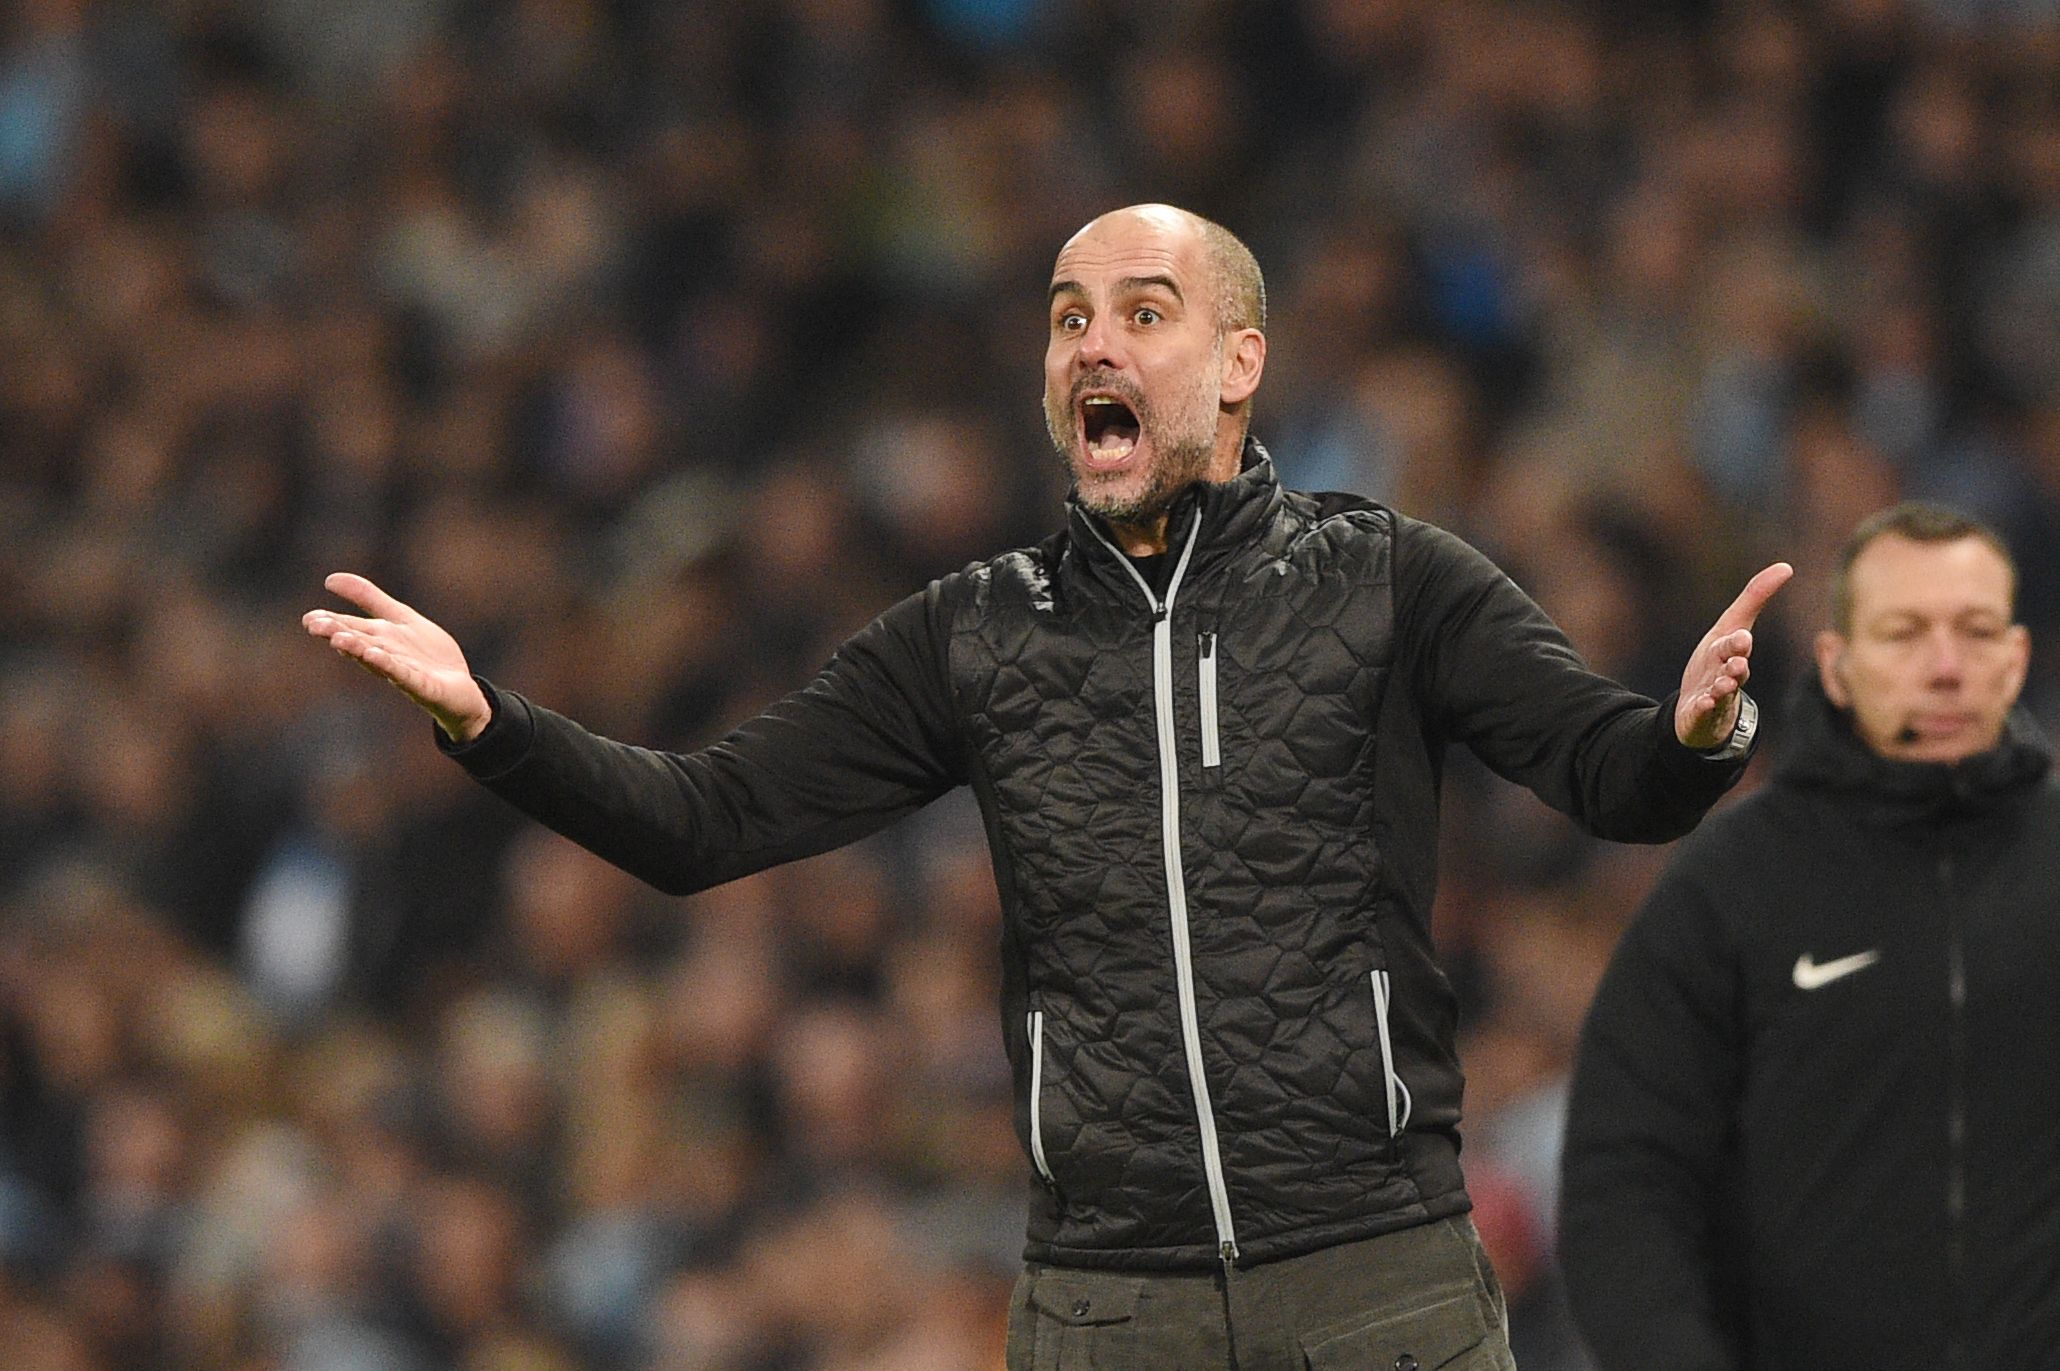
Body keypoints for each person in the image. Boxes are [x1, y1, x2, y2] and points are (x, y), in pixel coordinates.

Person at [306, 203, 1788, 1370]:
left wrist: (1693, 733)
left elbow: (1615, 778)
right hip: (1105, 1309)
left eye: (1145, 314)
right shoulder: (976, 629)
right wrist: (491, 718)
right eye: (1069, 317)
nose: (1094, 346)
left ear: (1240, 362)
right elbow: (705, 821)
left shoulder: (1393, 581)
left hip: (1377, 1282)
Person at [1559, 501, 2060, 1371]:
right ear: (1835, 665)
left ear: (2016, 659)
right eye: (1904, 633)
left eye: (1976, 632)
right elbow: (1625, 1178)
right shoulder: (1733, 884)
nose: (1946, 667)